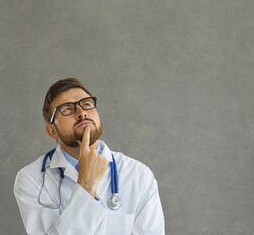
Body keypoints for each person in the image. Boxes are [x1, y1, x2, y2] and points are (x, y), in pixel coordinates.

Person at [14, 78, 165, 235]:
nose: (81, 113)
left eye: (86, 104)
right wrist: (86, 185)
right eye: (67, 109)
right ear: (53, 131)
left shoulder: (138, 174)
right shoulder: (32, 179)